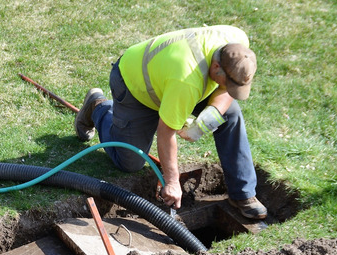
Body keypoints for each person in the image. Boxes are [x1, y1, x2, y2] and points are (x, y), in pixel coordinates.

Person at [74, 25, 267, 220]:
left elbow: (226, 93)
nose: (230, 89)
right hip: (135, 85)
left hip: (169, 79)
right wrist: (173, 182)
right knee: (129, 162)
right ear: (216, 67)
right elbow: (166, 133)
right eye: (229, 83)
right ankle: (98, 107)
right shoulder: (186, 80)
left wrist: (206, 121)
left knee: (230, 114)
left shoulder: (237, 43)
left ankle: (243, 194)